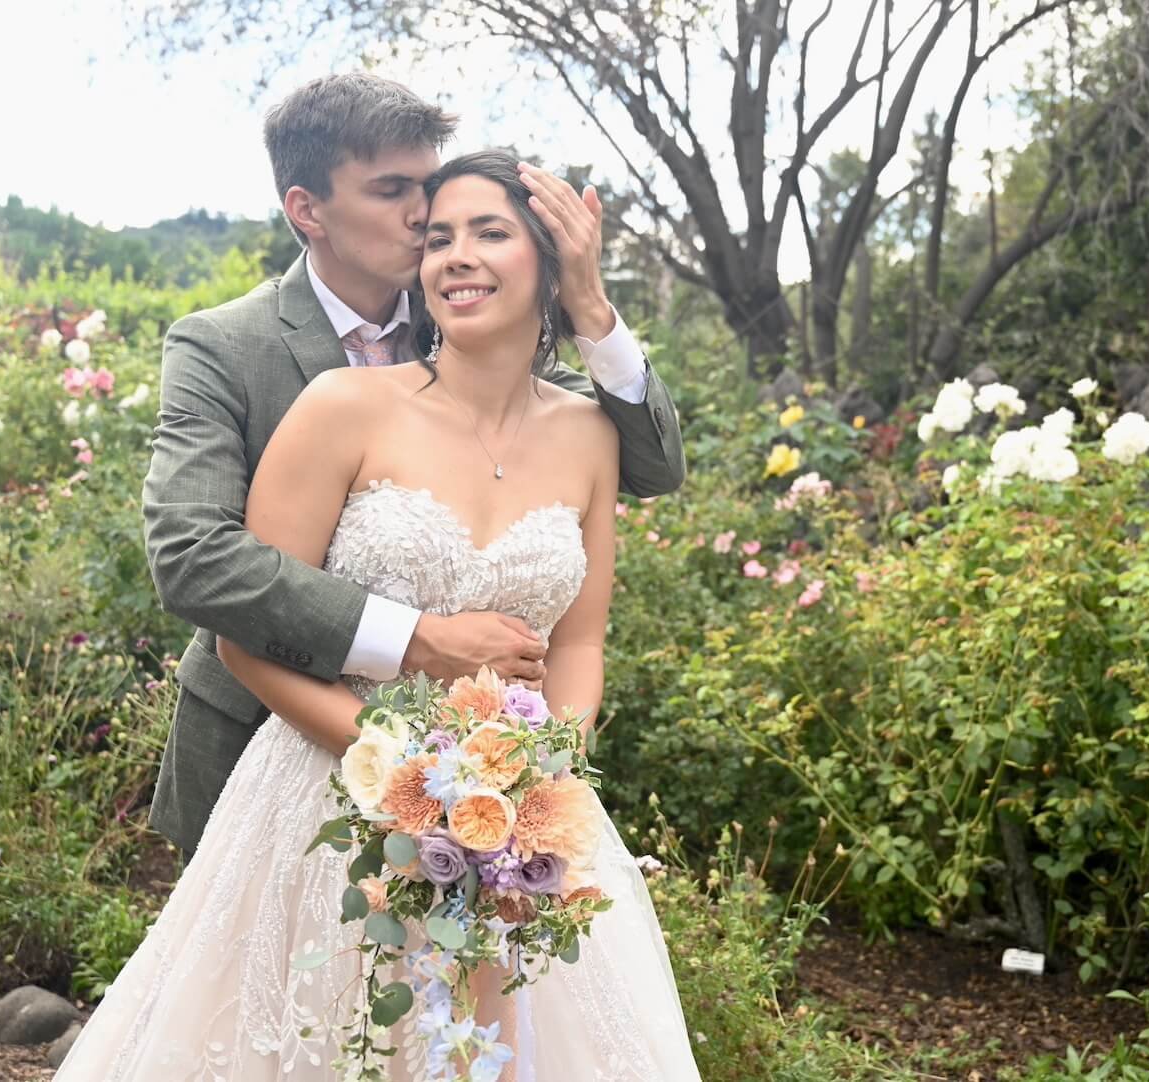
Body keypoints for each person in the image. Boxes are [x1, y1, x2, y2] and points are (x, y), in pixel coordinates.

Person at [54, 149, 703, 1080]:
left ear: (552, 261)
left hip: (522, 820)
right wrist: (402, 769)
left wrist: (542, 780)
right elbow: (244, 631)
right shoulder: (344, 405)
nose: (454, 256)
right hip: (330, 788)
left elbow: (582, 637)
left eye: (489, 233)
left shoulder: (593, 435)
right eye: (438, 237)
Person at [141, 72, 685, 858]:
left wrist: (591, 308)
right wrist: (415, 641)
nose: (426, 215)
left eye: (428, 188)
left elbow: (655, 465)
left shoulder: (480, 333)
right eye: (394, 190)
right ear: (308, 210)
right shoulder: (223, 346)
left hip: (488, 790)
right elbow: (195, 561)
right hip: (269, 750)